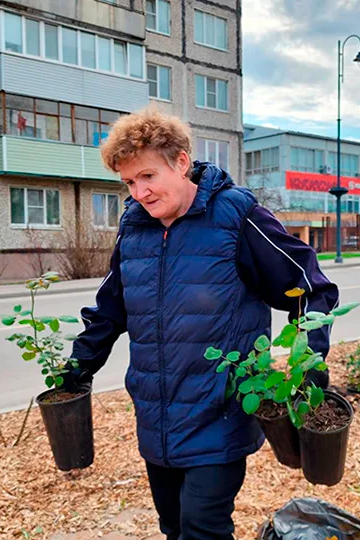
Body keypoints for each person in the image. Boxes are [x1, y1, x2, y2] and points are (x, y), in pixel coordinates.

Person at [63, 108, 339, 540]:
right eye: (130, 183)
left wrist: (308, 360)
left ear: (181, 162)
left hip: (220, 411)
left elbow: (309, 287)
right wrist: (77, 368)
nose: (140, 193)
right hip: (156, 415)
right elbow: (111, 307)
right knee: (173, 526)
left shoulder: (236, 217)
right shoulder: (136, 228)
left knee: (202, 527)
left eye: (148, 176)